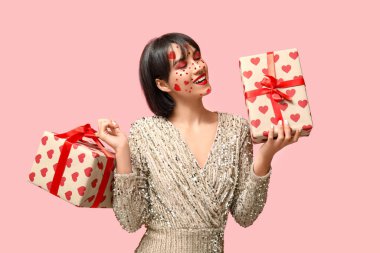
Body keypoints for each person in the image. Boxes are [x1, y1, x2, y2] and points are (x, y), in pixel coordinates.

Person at [95, 32, 301, 253]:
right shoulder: (143, 133)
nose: (198, 67)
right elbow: (130, 221)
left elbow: (245, 215)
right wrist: (122, 151)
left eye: (198, 57)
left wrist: (266, 155)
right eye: (183, 64)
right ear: (163, 84)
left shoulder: (236, 129)